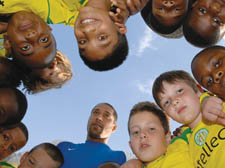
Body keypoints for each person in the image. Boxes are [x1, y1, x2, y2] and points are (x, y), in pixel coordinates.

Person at [0, 0, 129, 71]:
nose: (88, 31)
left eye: (83, 41)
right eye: (102, 37)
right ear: (120, 27)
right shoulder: (127, 4)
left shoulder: (57, 15)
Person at [152, 70, 225, 167]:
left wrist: (206, 98)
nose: (174, 101)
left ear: (198, 90)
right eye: (166, 102)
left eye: (179, 91)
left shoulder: (220, 103)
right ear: (168, 114)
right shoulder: (183, 145)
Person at [121, 101, 193, 168]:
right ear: (131, 146)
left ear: (167, 137)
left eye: (151, 129)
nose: (142, 134)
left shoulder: (181, 143)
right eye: (136, 132)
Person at [57, 103, 126, 168]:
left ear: (114, 128)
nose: (99, 118)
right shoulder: (61, 146)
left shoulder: (124, 158)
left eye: (106, 115)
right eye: (96, 112)